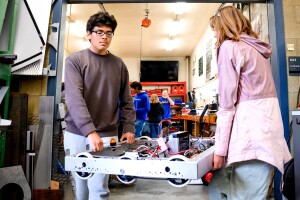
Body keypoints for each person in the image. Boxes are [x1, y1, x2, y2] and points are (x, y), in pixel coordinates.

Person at [208, 6, 291, 200]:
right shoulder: (257, 49)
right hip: (267, 138)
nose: (215, 36)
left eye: (216, 29)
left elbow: (227, 106)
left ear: (224, 26)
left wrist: (219, 151)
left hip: (250, 139)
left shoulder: (229, 47)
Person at [64, 11, 135, 200]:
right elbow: (74, 97)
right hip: (77, 133)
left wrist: (128, 127)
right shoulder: (75, 61)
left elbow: (127, 100)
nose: (104, 37)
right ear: (88, 34)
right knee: (81, 189)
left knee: (99, 189)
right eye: (99, 32)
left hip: (107, 134)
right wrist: (89, 130)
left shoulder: (119, 65)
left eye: (109, 33)